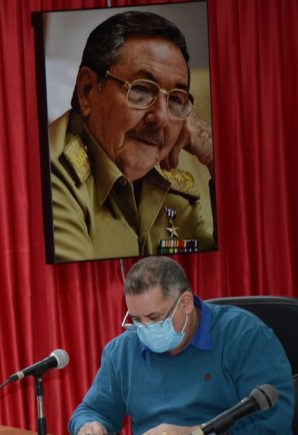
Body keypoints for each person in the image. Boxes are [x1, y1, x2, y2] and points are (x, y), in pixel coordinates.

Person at [70, 257, 298, 435]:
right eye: (137, 319)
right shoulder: (123, 350)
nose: (146, 328)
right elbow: (91, 410)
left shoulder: (243, 335)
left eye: (154, 317)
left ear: (186, 303)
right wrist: (89, 426)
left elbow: (273, 417)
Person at [49, 11, 216, 262]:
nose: (160, 117)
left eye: (176, 99)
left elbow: (233, 267)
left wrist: (214, 156)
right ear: (87, 91)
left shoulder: (169, 184)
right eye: (140, 90)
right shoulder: (54, 174)